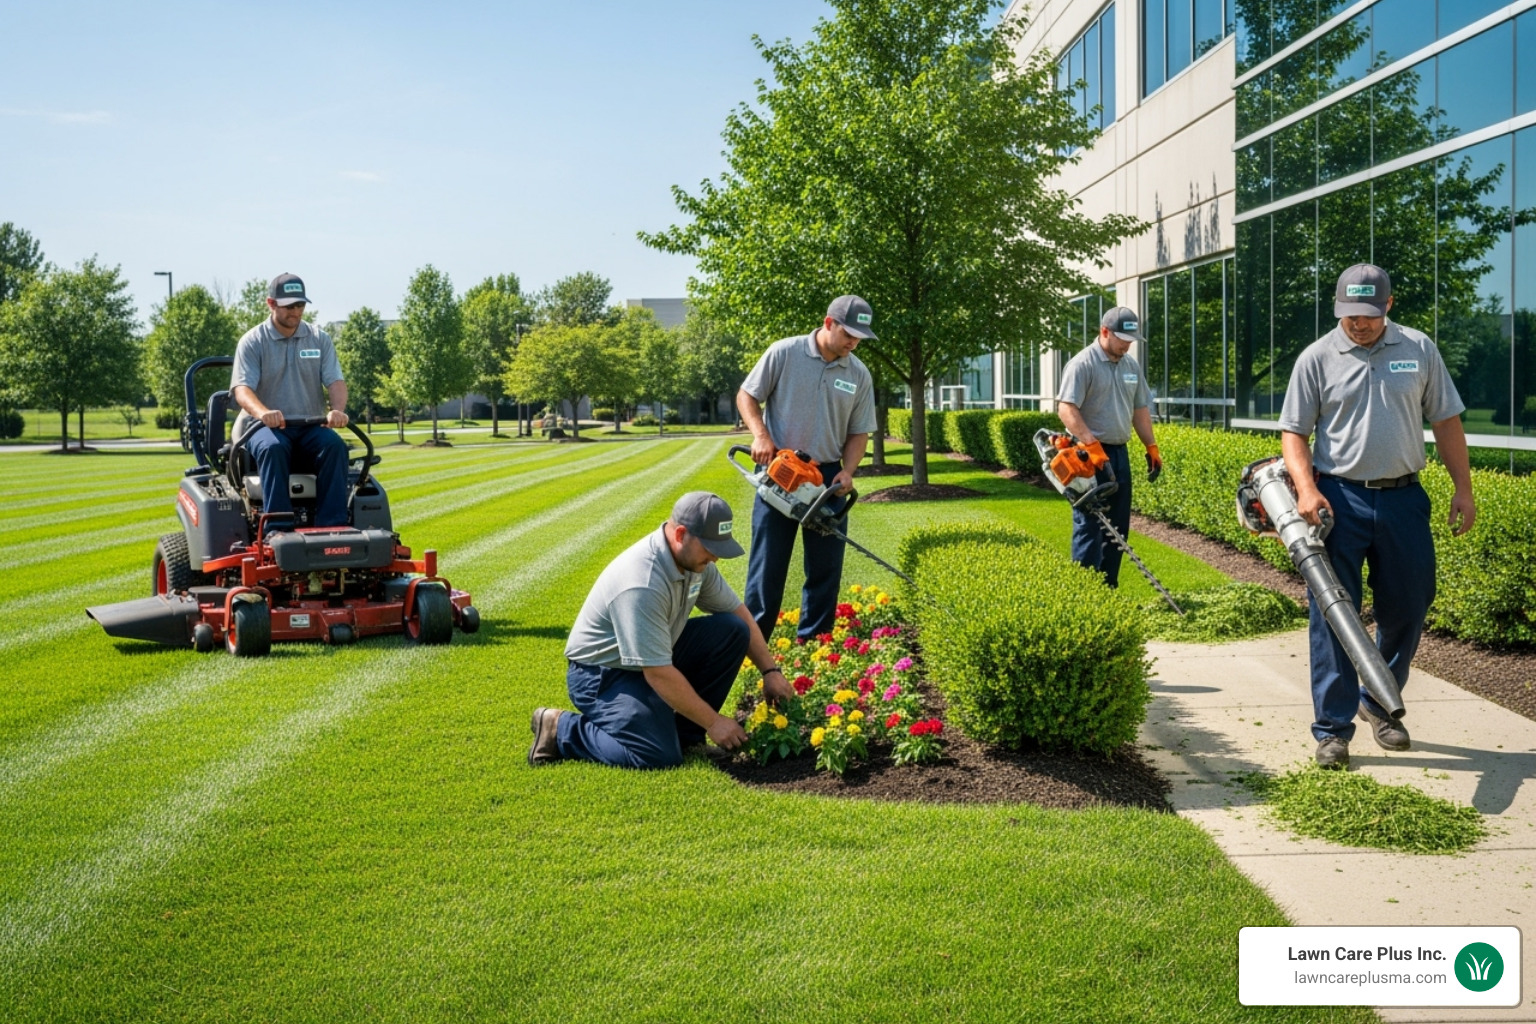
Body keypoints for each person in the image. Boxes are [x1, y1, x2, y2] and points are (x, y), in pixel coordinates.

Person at [1279, 264, 1475, 769]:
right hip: (1337, 500)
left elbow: (1446, 420)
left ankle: (1378, 699)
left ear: (1388, 306)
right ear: (1337, 308)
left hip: (1404, 498)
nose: (1358, 324)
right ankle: (1332, 729)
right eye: (1349, 315)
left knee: (1411, 602)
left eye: (1368, 314)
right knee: (1333, 614)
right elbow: (1294, 432)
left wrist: (1463, 488)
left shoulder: (1418, 349)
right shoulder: (1317, 357)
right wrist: (1305, 488)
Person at [528, 492, 794, 769]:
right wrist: (715, 722)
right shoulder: (641, 582)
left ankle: (687, 736)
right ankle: (561, 729)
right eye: (709, 547)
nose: (715, 557)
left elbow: (738, 613)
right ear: (680, 534)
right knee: (656, 755)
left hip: (652, 655)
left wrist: (770, 672)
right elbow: (657, 673)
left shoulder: (696, 563)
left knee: (732, 629)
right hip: (602, 674)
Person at [736, 295, 878, 642]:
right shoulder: (784, 352)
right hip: (781, 472)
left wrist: (849, 470)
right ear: (829, 323)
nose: (854, 342)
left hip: (827, 478)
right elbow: (746, 395)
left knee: (825, 568)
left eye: (860, 337)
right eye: (849, 333)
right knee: (767, 567)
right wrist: (761, 436)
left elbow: (860, 431)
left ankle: (814, 641)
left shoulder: (858, 373)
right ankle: (754, 645)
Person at [230, 273, 350, 535]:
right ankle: (278, 531)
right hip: (264, 428)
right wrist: (263, 413)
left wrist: (337, 410)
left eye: (300, 305)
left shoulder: (319, 339)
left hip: (309, 426)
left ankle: (334, 529)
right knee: (273, 448)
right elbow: (242, 389)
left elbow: (336, 382)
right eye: (289, 306)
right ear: (271, 303)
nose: (296, 311)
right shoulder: (253, 341)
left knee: (335, 447)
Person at [1054, 305, 1161, 586]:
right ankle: (1084, 592)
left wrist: (1151, 446)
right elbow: (1066, 409)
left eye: (1131, 340)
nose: (1127, 345)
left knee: (1118, 527)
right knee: (1090, 525)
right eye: (1123, 340)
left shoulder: (1130, 366)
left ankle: (1107, 589)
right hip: (1085, 456)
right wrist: (1091, 444)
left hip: (1118, 454)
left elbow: (1139, 409)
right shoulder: (1083, 364)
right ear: (1104, 332)